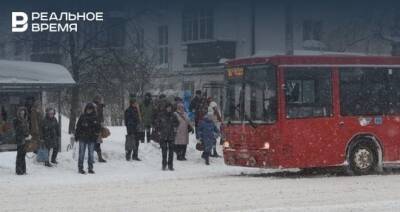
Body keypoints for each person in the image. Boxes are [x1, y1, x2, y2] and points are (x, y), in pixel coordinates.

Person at [75, 103, 101, 174]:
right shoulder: (82, 117)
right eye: (88, 109)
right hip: (82, 137)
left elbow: (98, 128)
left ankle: (90, 168)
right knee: (81, 153)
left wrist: (96, 136)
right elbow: (78, 127)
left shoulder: (95, 117)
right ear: (86, 109)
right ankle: (80, 168)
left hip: (91, 138)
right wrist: (77, 135)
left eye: (90, 109)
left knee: (91, 154)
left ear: (92, 110)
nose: (89, 110)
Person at [158, 103, 179, 170]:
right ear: (166, 108)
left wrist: (174, 126)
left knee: (171, 152)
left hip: (171, 135)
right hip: (163, 135)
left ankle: (170, 165)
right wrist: (159, 129)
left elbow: (177, 123)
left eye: (170, 107)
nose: (169, 109)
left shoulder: (173, 115)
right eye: (168, 107)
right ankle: (164, 164)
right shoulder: (161, 115)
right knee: (164, 151)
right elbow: (157, 123)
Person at [124, 95, 141, 161]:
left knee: (137, 143)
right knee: (130, 142)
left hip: (136, 128)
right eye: (135, 103)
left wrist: (138, 124)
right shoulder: (128, 110)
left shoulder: (137, 110)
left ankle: (135, 156)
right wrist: (131, 127)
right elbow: (127, 121)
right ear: (132, 103)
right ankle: (128, 155)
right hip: (131, 129)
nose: (136, 104)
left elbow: (138, 119)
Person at [14, 106, 30, 175]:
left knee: (23, 155)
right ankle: (18, 170)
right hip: (20, 139)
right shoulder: (16, 120)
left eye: (23, 111)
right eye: (21, 111)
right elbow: (17, 130)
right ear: (19, 112)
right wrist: (22, 136)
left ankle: (23, 169)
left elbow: (26, 129)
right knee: (19, 155)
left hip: (25, 139)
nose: (22, 113)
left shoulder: (25, 120)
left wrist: (28, 135)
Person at [93, 95, 107, 163]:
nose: (100, 101)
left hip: (98, 126)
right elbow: (98, 117)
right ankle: (96, 157)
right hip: (95, 127)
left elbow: (101, 117)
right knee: (94, 143)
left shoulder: (99, 106)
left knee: (97, 143)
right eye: (99, 99)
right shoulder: (94, 106)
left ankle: (99, 157)